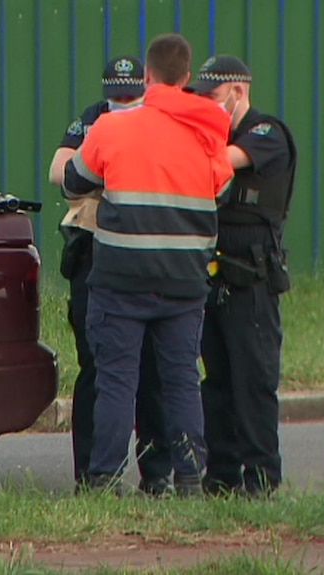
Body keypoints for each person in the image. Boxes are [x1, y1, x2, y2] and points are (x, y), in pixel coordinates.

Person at [62, 33, 233, 496]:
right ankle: (191, 480)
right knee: (181, 382)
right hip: (183, 282)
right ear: (186, 76)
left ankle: (103, 480)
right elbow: (221, 188)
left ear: (149, 77)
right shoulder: (207, 136)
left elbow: (74, 182)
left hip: (121, 280)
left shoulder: (114, 129)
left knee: (117, 380)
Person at [48, 55, 173, 496]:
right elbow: (60, 172)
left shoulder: (160, 122)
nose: (122, 101)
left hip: (144, 256)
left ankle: (157, 475)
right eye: (115, 94)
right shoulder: (94, 118)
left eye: (130, 94)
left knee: (154, 372)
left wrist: (101, 175)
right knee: (97, 369)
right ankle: (93, 477)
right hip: (94, 254)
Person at [185, 54, 297, 497]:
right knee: (217, 382)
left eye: (212, 97)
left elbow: (222, 162)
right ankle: (223, 476)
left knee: (254, 381)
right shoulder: (214, 134)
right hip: (214, 277)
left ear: (238, 91)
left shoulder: (266, 132)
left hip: (252, 278)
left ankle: (262, 480)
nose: (205, 106)